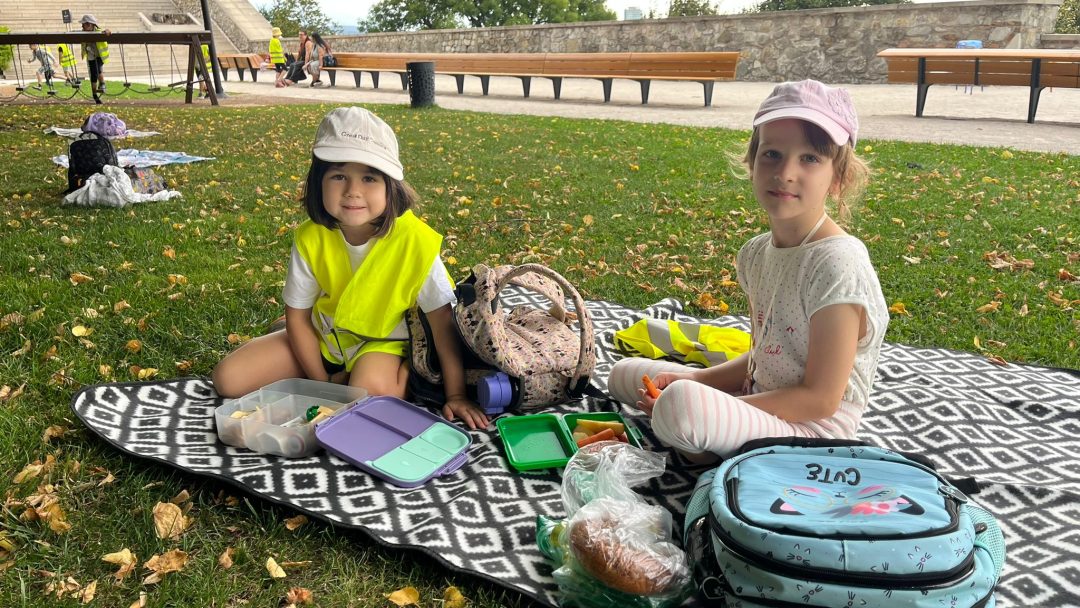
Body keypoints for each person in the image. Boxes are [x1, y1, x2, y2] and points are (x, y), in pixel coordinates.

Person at [608, 80, 889, 462]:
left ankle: (710, 442)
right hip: (761, 397)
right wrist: (697, 378)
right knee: (623, 375)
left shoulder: (837, 262)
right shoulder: (755, 253)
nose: (785, 172)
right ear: (752, 164)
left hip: (814, 431)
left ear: (839, 179)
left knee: (681, 405)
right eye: (772, 154)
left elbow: (821, 399)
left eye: (810, 158)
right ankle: (709, 435)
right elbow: (763, 356)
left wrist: (713, 402)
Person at [211, 107, 489, 430]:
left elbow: (443, 325)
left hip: (383, 344)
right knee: (227, 380)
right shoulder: (311, 237)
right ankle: (317, 363)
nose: (353, 191)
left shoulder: (416, 243)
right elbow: (298, 317)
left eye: (369, 178)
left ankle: (405, 372)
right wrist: (322, 385)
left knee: (367, 395)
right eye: (339, 176)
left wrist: (455, 394)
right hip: (325, 338)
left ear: (391, 186)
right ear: (318, 180)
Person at [78, 14, 110, 104]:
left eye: (83, 24)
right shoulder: (82, 33)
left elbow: (107, 32)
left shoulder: (99, 32)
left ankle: (102, 84)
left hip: (100, 55)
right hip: (91, 55)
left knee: (98, 70)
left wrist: (107, 31)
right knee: (94, 73)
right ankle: (95, 94)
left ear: (90, 24)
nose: (82, 26)